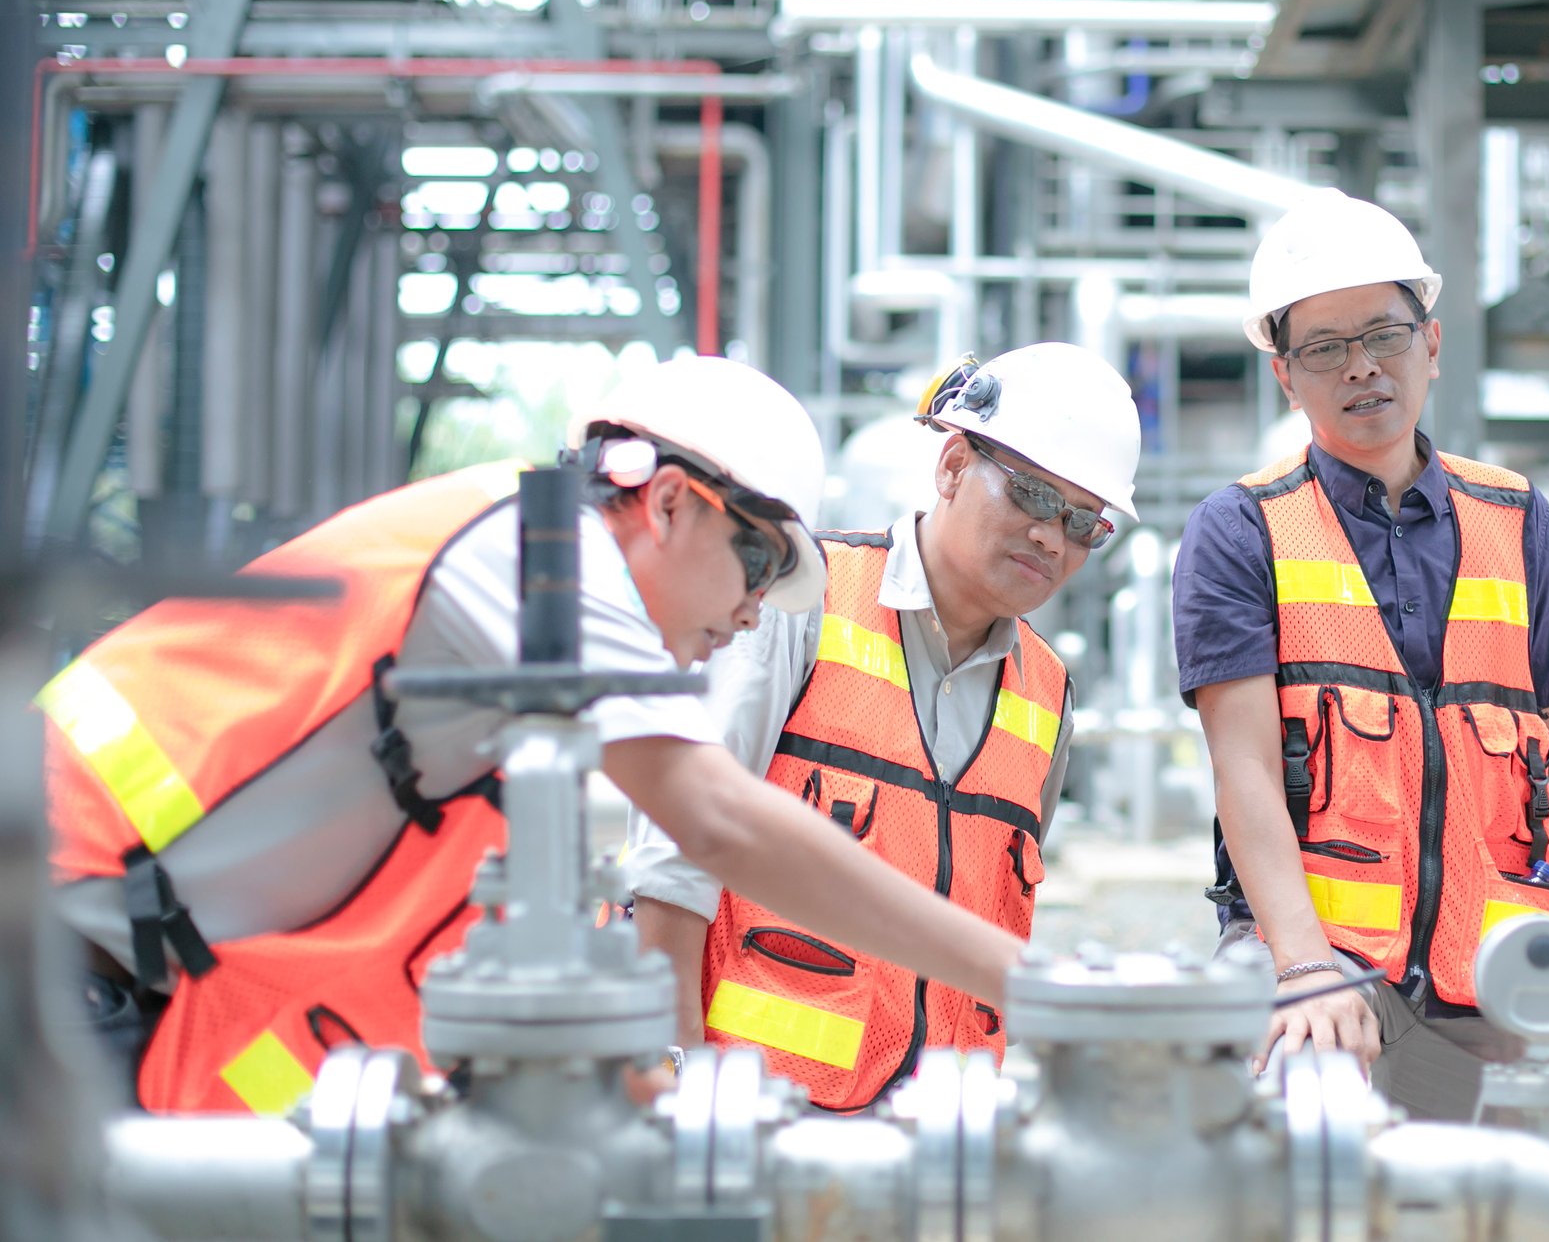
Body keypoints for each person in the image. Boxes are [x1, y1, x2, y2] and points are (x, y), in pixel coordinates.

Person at [40, 356, 1032, 1114]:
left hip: (102, 978)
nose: (751, 614)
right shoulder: (537, 554)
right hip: (52, 954)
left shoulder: (522, 680)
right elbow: (720, 821)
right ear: (670, 503)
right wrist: (1025, 981)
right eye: (760, 566)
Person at [1172, 189, 1549, 1122]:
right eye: (1325, 348)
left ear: (1431, 344)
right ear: (1286, 377)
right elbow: (1243, 768)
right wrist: (1302, 968)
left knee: (1460, 1196)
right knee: (1312, 1186)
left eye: (1383, 335)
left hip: (1484, 972)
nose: (1361, 367)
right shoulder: (1241, 529)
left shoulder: (1515, 518)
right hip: (1320, 971)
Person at [623, 343, 1142, 1111]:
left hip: (943, 1133)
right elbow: (677, 858)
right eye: (1033, 496)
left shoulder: (1048, 693)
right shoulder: (799, 603)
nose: (1051, 538)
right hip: (753, 1117)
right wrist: (673, 1084)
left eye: (1083, 523)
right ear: (953, 465)